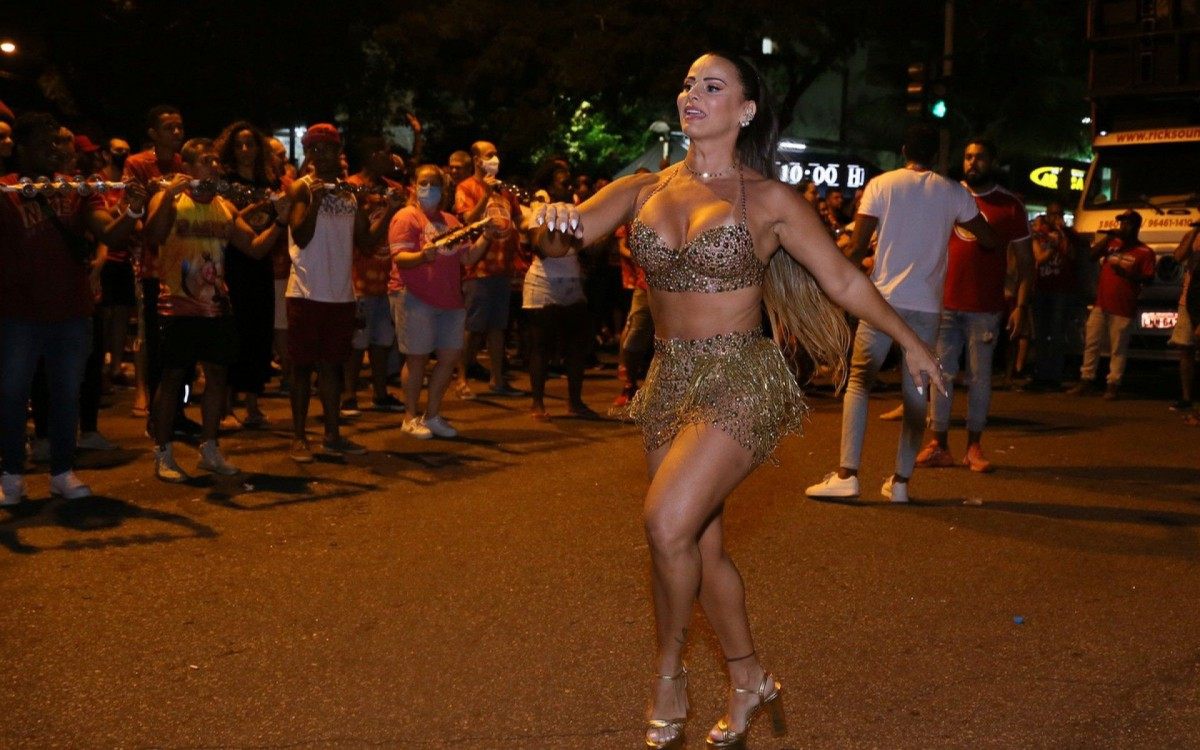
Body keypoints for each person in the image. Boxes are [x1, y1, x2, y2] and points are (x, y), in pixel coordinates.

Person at [529, 53, 945, 749]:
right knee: (700, 544)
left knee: (666, 524)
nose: (692, 94)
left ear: (745, 110)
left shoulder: (770, 201)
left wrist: (914, 343)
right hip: (669, 382)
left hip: (742, 378)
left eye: (712, 86)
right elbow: (559, 239)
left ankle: (669, 675)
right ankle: (749, 677)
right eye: (688, 83)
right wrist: (550, 218)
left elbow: (844, 280)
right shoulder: (641, 188)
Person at [805, 122, 998, 504]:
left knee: (860, 382)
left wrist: (835, 287)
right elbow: (990, 239)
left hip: (882, 301)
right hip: (926, 305)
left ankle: (848, 475)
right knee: (917, 390)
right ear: (938, 155)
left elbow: (857, 246)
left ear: (904, 149)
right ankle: (901, 483)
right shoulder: (953, 192)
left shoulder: (882, 185)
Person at [1, 112, 145, 505]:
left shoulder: (78, 189)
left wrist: (133, 210)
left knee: (67, 394)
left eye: (58, 142)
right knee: (12, 394)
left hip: (71, 311)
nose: (55, 150)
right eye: (45, 143)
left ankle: (62, 472)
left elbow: (109, 232)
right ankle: (11, 475)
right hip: (18, 313)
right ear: (23, 149)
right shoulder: (6, 189)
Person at [142, 138, 288, 481]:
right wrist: (167, 196)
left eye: (215, 161)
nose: (214, 167)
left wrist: (280, 222)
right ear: (187, 167)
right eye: (205, 161)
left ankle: (209, 448)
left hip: (215, 306)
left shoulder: (224, 206)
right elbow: (153, 235)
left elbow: (254, 248)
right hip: (177, 304)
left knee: (218, 376)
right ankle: (163, 452)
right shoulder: (170, 198)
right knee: (173, 378)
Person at [284, 124, 401, 462]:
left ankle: (332, 435)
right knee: (302, 367)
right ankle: (299, 437)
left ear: (339, 152)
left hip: (340, 294)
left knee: (333, 367)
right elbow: (300, 236)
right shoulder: (302, 188)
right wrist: (316, 203)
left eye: (326, 148)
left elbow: (366, 242)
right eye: (313, 149)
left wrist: (390, 210)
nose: (319, 155)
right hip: (306, 291)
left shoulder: (349, 193)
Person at [915, 139, 1033, 473]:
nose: (972, 162)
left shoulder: (1009, 205)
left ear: (993, 161)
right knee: (941, 374)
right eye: (967, 157)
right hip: (945, 304)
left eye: (980, 157)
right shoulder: (948, 195)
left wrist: (1021, 306)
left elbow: (1026, 263)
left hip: (986, 308)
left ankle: (973, 446)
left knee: (980, 378)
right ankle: (939, 444)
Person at [389, 165, 490, 438]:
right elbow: (400, 258)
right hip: (414, 296)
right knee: (417, 359)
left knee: (449, 357)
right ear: (413, 184)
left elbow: (468, 257)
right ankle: (410, 416)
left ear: (443, 189)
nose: (428, 189)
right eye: (423, 182)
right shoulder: (406, 217)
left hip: (450, 300)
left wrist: (487, 236)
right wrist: (422, 256)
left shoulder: (451, 221)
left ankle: (432, 414)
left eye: (434, 184)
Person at [215, 121, 283, 428]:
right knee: (233, 331)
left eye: (251, 144)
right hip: (233, 262)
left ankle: (253, 404)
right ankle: (226, 404)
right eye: (239, 144)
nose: (245, 150)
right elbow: (225, 221)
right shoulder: (224, 182)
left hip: (262, 261)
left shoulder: (269, 182)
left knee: (259, 331)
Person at [343, 135, 407, 416]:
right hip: (360, 277)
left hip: (388, 277)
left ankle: (380, 394)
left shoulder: (394, 188)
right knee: (357, 341)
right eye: (384, 153)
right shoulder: (352, 188)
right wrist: (390, 210)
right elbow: (365, 241)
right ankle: (349, 394)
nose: (389, 158)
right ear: (371, 156)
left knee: (382, 340)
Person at [455, 140, 524, 398]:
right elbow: (467, 220)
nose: (495, 159)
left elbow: (519, 220)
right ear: (476, 160)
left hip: (502, 269)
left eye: (496, 154)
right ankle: (461, 379)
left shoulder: (505, 190)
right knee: (473, 327)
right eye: (489, 155)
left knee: (497, 327)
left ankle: (497, 379)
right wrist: (486, 194)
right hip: (478, 269)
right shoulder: (466, 187)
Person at [1069, 210, 1156, 399]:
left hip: (1123, 306)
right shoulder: (1112, 244)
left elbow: (1149, 279)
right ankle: (1086, 379)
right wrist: (1108, 239)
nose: (1123, 227)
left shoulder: (1145, 252)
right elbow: (1091, 256)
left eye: (1127, 224)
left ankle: (1113, 384)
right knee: (1091, 342)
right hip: (1101, 304)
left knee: (1118, 348)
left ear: (1136, 227)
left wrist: (1128, 275)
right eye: (1121, 223)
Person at [1027, 202, 1081, 391]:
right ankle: (1041, 373)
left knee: (1058, 333)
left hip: (1062, 290)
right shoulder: (1039, 235)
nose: (1056, 217)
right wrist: (1053, 246)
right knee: (1041, 334)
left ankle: (1054, 376)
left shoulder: (1068, 234)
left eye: (1059, 214)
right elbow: (1039, 258)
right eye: (1053, 214)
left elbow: (1072, 255)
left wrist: (1063, 236)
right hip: (1043, 289)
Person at [1168, 224, 1199, 414]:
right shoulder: (1191, 234)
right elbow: (1178, 257)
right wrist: (1194, 233)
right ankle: (1187, 397)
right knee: (1185, 348)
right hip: (1188, 299)